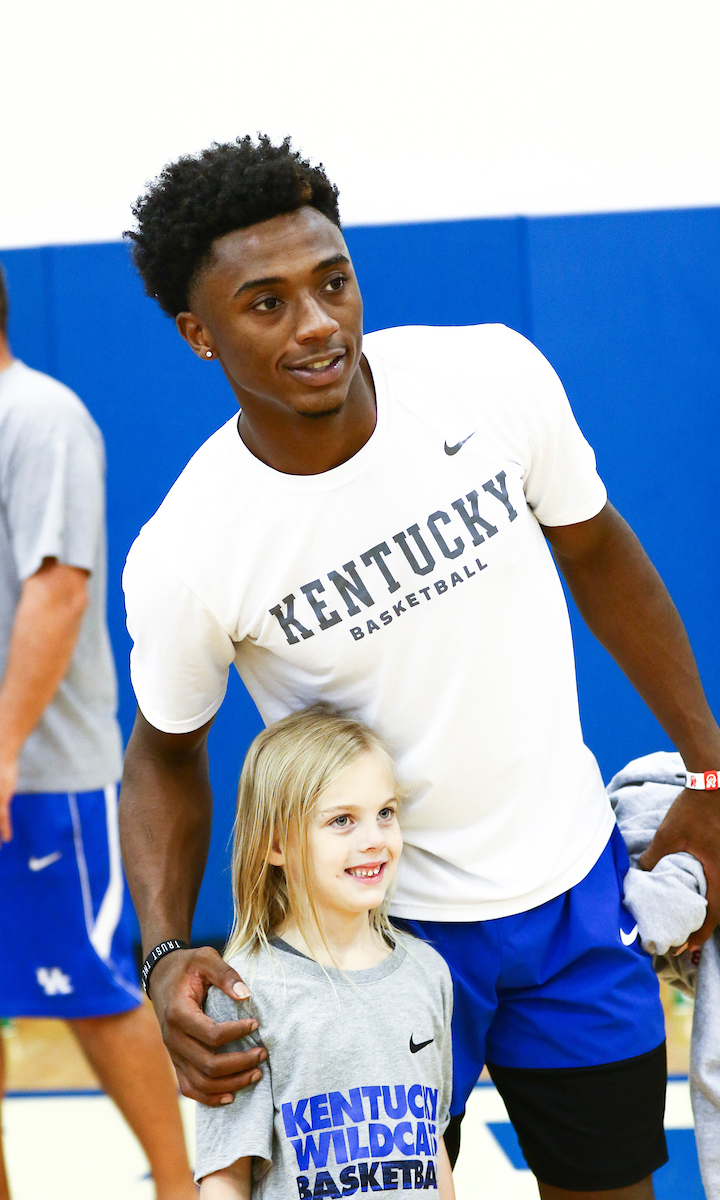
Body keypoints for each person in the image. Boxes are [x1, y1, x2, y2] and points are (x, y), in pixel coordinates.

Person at [119, 136, 720, 1200]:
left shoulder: (487, 375)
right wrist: (166, 956)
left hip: (574, 897)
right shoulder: (189, 550)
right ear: (198, 333)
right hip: (367, 943)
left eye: (333, 281)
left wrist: (712, 773)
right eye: (265, 303)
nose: (317, 325)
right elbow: (165, 756)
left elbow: (599, 550)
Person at [0, 266, 196, 1200]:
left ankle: (186, 1184)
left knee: (89, 991)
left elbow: (59, 588)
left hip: (39, 778)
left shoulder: (40, 418)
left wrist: (1, 753)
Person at [193, 704, 454, 1199]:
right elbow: (226, 1175)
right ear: (276, 845)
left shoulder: (428, 973)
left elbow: (433, 1146)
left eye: (385, 813)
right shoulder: (246, 991)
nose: (374, 839)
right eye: (341, 821)